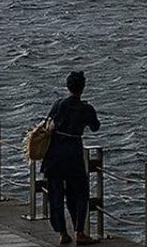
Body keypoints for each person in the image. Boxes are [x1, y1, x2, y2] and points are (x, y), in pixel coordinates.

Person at [42, 71, 101, 245]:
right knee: (80, 193)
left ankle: (62, 232)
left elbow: (47, 122)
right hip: (73, 155)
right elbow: (95, 127)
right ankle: (79, 232)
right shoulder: (86, 109)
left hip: (54, 155)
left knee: (55, 195)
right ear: (83, 88)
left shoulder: (58, 104)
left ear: (68, 87)